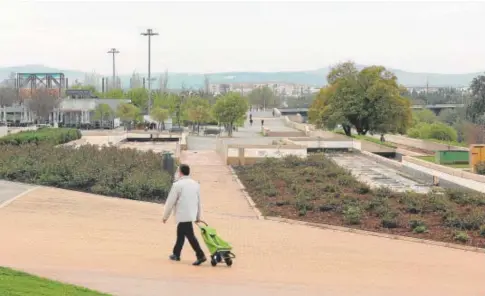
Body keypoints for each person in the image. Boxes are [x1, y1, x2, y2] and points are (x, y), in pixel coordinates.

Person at [163, 164, 206, 266]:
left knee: (190, 236)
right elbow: (198, 202)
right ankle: (176, 254)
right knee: (181, 233)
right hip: (191, 214)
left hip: (182, 215)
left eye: (178, 171)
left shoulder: (177, 185)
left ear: (180, 172)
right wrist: (197, 216)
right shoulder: (195, 184)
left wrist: (165, 216)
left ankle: (200, 255)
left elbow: (170, 202)